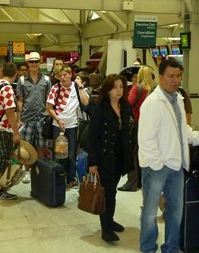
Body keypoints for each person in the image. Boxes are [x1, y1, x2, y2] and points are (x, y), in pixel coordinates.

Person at [138, 59, 199, 253]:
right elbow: (146, 140)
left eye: (178, 76)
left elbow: (183, 129)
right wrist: (157, 165)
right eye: (170, 76)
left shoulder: (178, 98)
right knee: (150, 211)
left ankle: (171, 250)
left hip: (177, 165)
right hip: (156, 166)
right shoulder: (152, 103)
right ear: (160, 77)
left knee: (175, 210)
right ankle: (148, 249)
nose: (175, 80)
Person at [87, 74, 135, 243]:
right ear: (107, 90)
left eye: (121, 87)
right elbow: (93, 136)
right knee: (106, 193)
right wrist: (92, 162)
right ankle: (106, 228)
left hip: (120, 157)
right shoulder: (101, 108)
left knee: (112, 190)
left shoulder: (125, 106)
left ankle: (110, 220)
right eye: (115, 87)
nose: (118, 90)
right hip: (104, 157)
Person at [46, 65, 89, 187]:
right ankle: (58, 178)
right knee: (59, 154)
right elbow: (49, 107)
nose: (63, 77)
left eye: (65, 75)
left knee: (71, 155)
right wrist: (58, 120)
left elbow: (86, 102)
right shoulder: (56, 88)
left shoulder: (76, 87)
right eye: (60, 75)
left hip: (73, 126)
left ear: (70, 75)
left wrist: (80, 86)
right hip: (57, 125)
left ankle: (71, 178)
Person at [119, 65, 156, 192]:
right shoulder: (156, 90)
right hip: (151, 124)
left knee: (133, 154)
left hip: (137, 123)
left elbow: (128, 104)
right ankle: (144, 181)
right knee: (146, 153)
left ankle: (132, 183)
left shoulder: (137, 88)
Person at [0, 62, 21, 200]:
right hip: (2, 127)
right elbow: (9, 112)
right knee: (0, 157)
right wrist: (16, 132)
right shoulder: (7, 88)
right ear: (15, 74)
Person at [16, 52, 52, 162]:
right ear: (28, 63)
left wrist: (49, 116)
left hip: (42, 119)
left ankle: (40, 169)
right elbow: (20, 101)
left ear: (39, 63)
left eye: (36, 61)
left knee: (42, 147)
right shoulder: (22, 80)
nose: (34, 64)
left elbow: (48, 99)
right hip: (27, 119)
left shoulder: (46, 80)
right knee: (26, 149)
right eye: (31, 61)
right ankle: (27, 169)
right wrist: (19, 119)